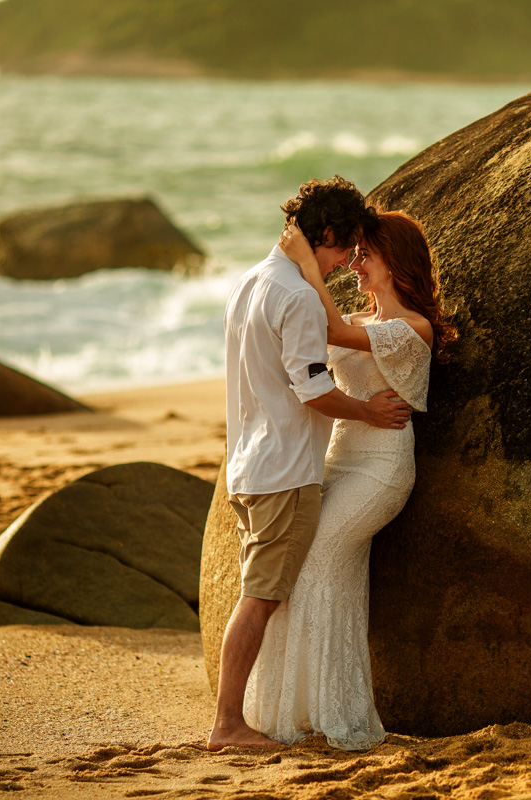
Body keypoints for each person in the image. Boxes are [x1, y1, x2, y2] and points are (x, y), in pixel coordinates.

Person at [208, 178, 413, 752]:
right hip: (286, 470)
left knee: (263, 591)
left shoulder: (248, 283)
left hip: (246, 464)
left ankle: (255, 713)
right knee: (262, 597)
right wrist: (368, 411)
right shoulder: (296, 296)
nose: (349, 261)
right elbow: (312, 388)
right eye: (346, 249)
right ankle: (228, 725)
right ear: (326, 235)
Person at [242, 210, 456, 750]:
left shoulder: (414, 329)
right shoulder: (361, 317)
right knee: (307, 562)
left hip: (382, 468)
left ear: (396, 261)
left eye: (367, 255)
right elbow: (320, 347)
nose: (356, 265)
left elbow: (332, 330)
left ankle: (335, 714)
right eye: (353, 254)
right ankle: (308, 712)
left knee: (317, 558)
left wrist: (308, 265)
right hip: (339, 459)